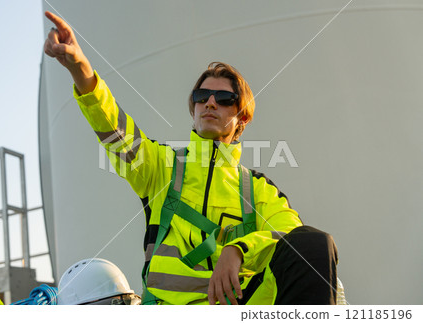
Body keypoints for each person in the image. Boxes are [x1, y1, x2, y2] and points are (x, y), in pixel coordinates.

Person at [44, 11, 339, 305]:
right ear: (194, 108)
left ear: (242, 117)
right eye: (202, 95)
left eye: (224, 99)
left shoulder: (258, 190)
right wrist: (80, 69)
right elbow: (114, 128)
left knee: (312, 242)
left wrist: (237, 250)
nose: (210, 102)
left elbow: (289, 235)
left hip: (236, 308)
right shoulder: (160, 167)